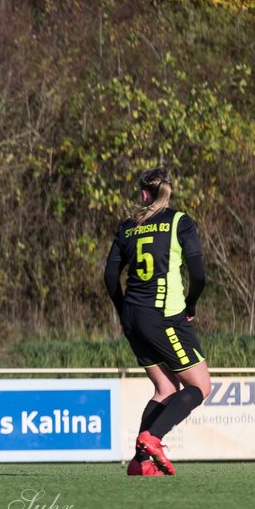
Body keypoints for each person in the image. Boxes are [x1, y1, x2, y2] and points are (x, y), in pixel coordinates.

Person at [104, 167, 211, 476]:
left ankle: (140, 463)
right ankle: (153, 438)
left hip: (133, 317)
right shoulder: (179, 222)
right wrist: (191, 304)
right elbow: (199, 275)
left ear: (143, 194)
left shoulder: (127, 227)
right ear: (169, 193)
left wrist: (123, 311)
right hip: (164, 317)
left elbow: (111, 275)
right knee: (200, 386)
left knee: (165, 387)